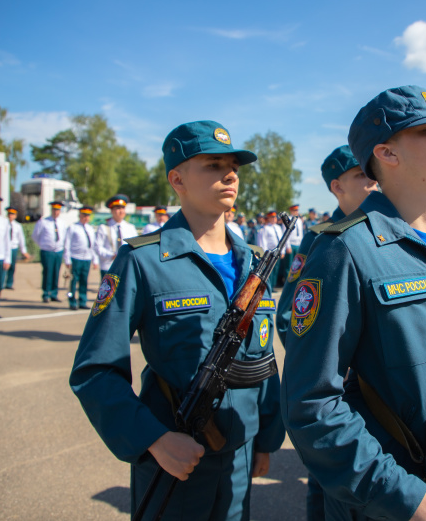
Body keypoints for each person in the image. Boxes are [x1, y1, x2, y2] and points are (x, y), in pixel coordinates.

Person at [281, 85, 426, 520]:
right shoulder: (346, 250)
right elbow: (312, 403)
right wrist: (406, 496)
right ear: (387, 155)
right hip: (389, 503)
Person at [70, 120, 284, 520]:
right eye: (213, 164)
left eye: (234, 166)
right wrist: (153, 439)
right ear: (177, 179)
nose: (230, 175)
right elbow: (94, 369)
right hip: (176, 454)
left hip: (239, 449)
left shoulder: (254, 263)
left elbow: (260, 358)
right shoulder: (143, 260)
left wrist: (267, 437)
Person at [276, 144, 378, 520]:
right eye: (361, 177)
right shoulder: (320, 237)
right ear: (337, 187)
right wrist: (330, 366)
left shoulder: (383, 230)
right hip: (339, 389)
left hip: (377, 392)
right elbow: (291, 315)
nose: (373, 183)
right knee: (328, 481)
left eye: (373, 174)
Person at [32, 201, 68, 302]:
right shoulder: (43, 222)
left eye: (58, 210)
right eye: (55, 210)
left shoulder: (62, 223)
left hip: (58, 251)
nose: (56, 212)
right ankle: (46, 293)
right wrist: (43, 245)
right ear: (52, 210)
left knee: (56, 272)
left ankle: (54, 293)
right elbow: (35, 235)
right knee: (47, 272)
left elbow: (64, 237)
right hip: (47, 251)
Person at [63, 206, 99, 310]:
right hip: (75, 257)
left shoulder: (90, 228)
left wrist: (95, 260)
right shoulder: (73, 227)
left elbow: (93, 245)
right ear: (80, 215)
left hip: (86, 258)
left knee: (84, 281)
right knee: (73, 281)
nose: (86, 218)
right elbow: (67, 244)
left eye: (88, 216)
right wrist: (67, 259)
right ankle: (72, 301)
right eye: (84, 215)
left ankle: (82, 301)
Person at [94, 194, 138, 278]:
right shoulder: (104, 227)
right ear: (112, 210)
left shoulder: (130, 227)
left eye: (123, 208)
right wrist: (111, 255)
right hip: (108, 266)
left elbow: (136, 247)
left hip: (126, 266)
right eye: (118, 208)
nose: (121, 211)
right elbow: (97, 247)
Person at [256, 210, 284, 291]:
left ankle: (273, 286)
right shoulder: (265, 228)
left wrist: (282, 251)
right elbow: (263, 242)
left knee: (276, 270)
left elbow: (282, 240)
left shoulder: (278, 227)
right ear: (268, 218)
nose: (274, 218)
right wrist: (265, 254)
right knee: (269, 271)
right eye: (272, 217)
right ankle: (268, 287)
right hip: (270, 253)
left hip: (277, 252)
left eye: (275, 217)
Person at [3, 207, 31, 290]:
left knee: (12, 266)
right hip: (4, 248)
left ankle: (9, 283)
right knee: (3, 266)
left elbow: (21, 238)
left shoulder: (17, 226)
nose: (10, 216)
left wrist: (23, 251)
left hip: (13, 247)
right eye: (9, 214)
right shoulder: (3, 224)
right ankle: (1, 283)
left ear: (15, 216)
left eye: (12, 214)